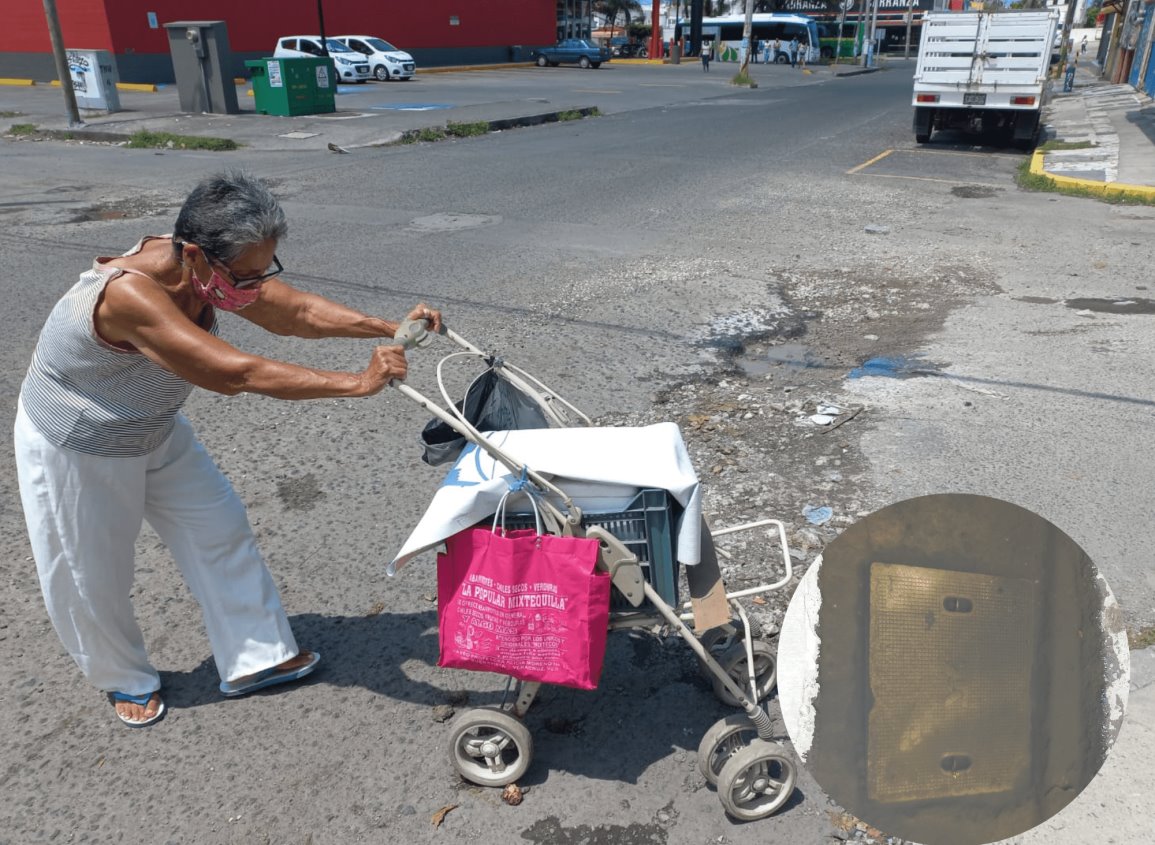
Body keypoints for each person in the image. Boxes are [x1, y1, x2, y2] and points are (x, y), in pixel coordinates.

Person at [14, 171, 443, 728]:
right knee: (90, 572)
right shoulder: (127, 295)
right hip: (80, 442)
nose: (253, 285)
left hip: (154, 425)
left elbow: (298, 313)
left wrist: (392, 327)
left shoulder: (207, 272)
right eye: (245, 275)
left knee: (219, 528)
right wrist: (356, 383)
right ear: (193, 254)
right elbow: (233, 373)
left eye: (263, 269)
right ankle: (124, 677)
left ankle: (256, 657)